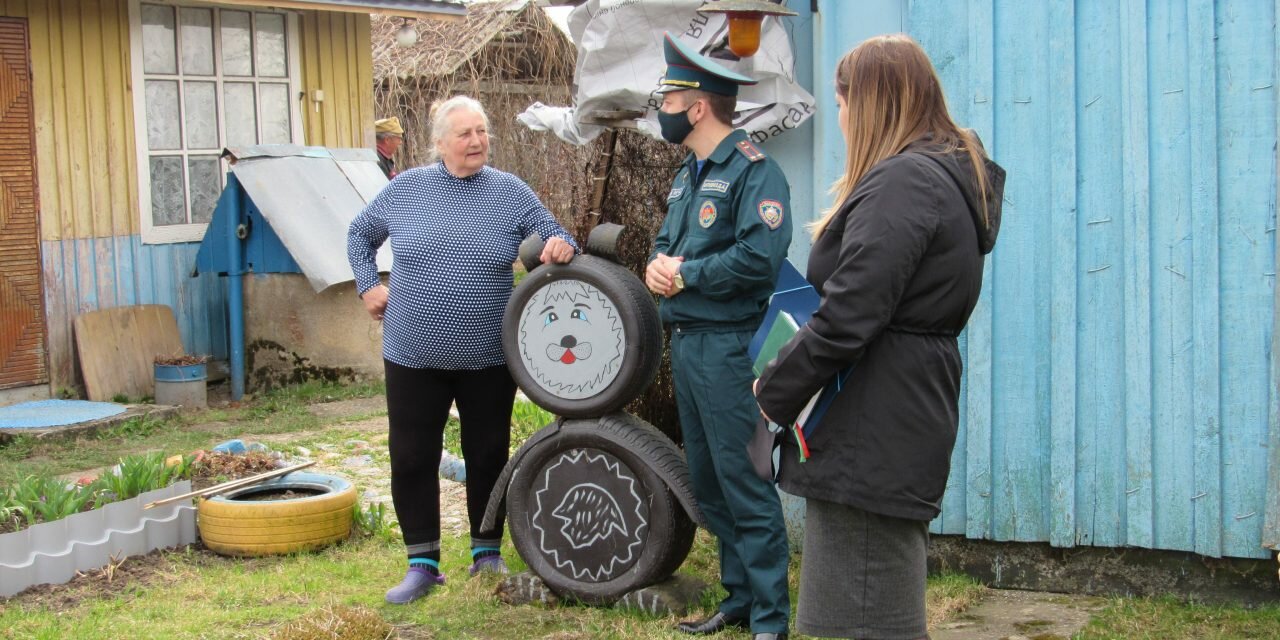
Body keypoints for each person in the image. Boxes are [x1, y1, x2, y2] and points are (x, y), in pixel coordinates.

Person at [753, 34, 1005, 640]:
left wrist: (770, 397)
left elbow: (847, 318)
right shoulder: (939, 175)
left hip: (870, 421)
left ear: (865, 104)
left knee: (863, 619)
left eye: (840, 104)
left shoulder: (905, 183)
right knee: (868, 608)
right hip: (890, 414)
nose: (839, 120)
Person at [348, 96, 578, 605]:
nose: (477, 142)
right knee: (411, 457)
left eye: (482, 131)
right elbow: (359, 234)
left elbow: (558, 236)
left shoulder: (509, 192)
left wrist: (560, 247)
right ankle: (422, 565)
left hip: (488, 358)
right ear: (440, 143)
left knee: (488, 453)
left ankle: (485, 552)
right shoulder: (406, 188)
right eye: (465, 134)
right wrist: (368, 286)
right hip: (412, 352)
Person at [643, 32, 792, 640]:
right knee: (708, 480)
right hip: (689, 345)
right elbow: (666, 246)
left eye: (669, 100)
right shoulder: (688, 174)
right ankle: (738, 599)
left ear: (697, 106)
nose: (663, 110)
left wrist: (687, 275)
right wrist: (658, 265)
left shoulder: (754, 171)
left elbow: (761, 259)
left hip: (731, 347)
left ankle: (770, 618)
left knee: (744, 480)